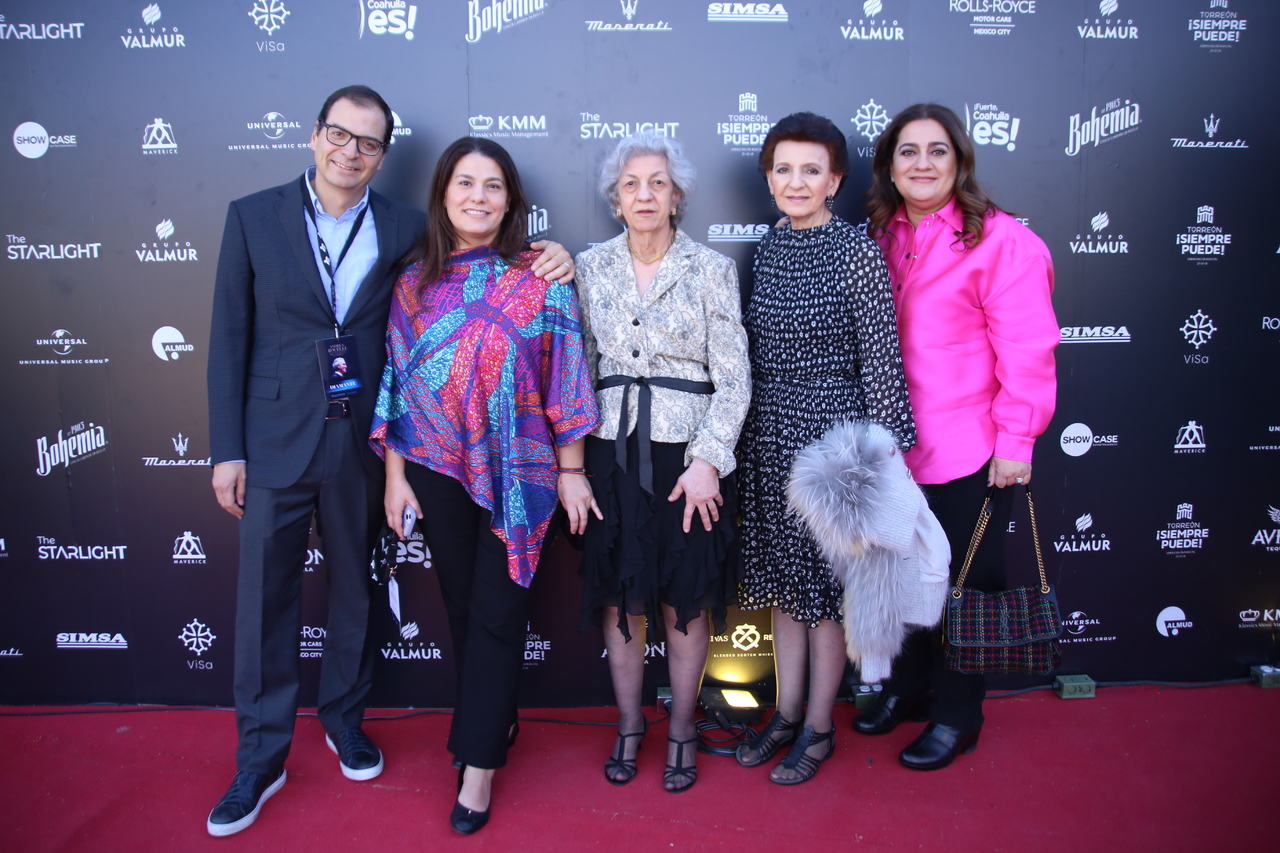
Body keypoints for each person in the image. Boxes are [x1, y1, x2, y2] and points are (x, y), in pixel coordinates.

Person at [206, 86, 574, 837]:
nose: (351, 151)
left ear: (382, 155)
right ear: (315, 137)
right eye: (340, 135)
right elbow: (227, 341)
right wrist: (227, 450)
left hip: (376, 451)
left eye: (368, 143)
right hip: (283, 440)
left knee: (353, 596)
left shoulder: (409, 229)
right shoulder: (254, 217)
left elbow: (516, 308)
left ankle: (346, 723)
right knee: (266, 604)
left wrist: (556, 252)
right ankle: (259, 761)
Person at [372, 137, 600, 834]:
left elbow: (565, 377)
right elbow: (398, 383)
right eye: (465, 183)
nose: (478, 196)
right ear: (443, 194)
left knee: (499, 615)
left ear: (511, 200)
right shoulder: (412, 279)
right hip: (436, 471)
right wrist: (394, 477)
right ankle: (493, 725)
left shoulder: (542, 275)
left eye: (493, 185)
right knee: (466, 612)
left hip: (521, 476)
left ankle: (476, 771)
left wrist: (571, 469)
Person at [856, 103, 1057, 771]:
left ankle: (957, 715)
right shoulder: (877, 234)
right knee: (899, 575)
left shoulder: (1002, 241)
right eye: (907, 151)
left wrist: (1017, 442)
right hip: (892, 446)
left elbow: (1027, 348)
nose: (921, 163)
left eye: (936, 151)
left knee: (965, 587)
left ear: (959, 161)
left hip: (971, 446)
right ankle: (909, 690)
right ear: (889, 164)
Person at [735, 112, 916, 785]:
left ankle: (817, 726)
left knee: (828, 595)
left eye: (812, 169)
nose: (796, 180)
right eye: (783, 168)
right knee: (787, 588)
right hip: (772, 434)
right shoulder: (769, 246)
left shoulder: (857, 251)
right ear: (769, 177)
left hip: (836, 442)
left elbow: (883, 361)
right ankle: (783, 714)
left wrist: (882, 458)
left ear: (836, 179)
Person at [575, 132, 750, 793]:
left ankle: (679, 726)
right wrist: (572, 462)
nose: (644, 194)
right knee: (622, 600)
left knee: (685, 601)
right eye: (630, 183)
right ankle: (628, 722)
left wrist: (709, 458)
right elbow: (575, 368)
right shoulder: (588, 268)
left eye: (657, 182)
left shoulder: (710, 269)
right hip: (610, 452)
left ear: (677, 196)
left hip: (688, 461)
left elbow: (734, 378)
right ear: (615, 199)